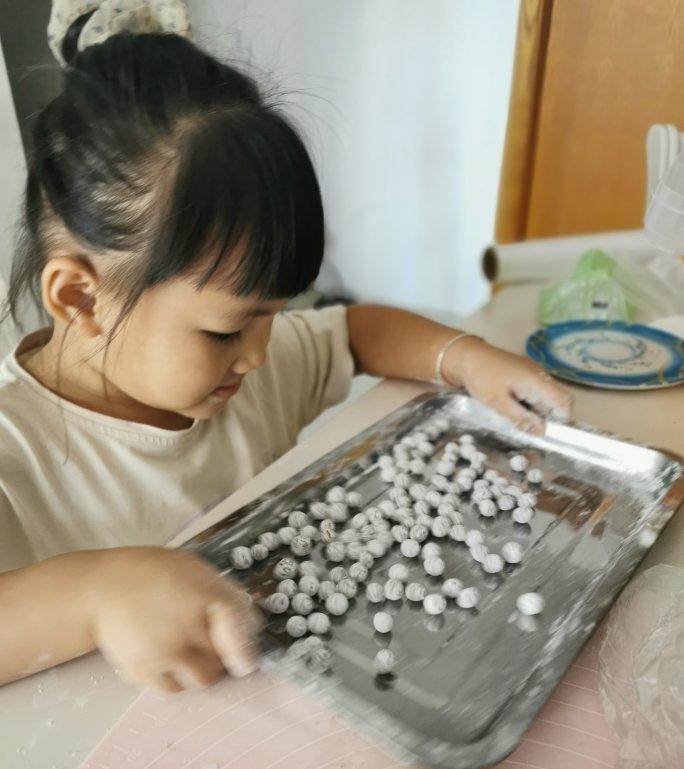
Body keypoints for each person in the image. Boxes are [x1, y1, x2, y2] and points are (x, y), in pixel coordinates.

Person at [0, 2, 572, 692]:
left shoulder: (246, 374)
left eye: (276, 315)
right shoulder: (16, 456)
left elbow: (356, 331)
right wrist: (97, 592)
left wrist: (468, 359)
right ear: (81, 300)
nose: (257, 355)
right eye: (226, 330)